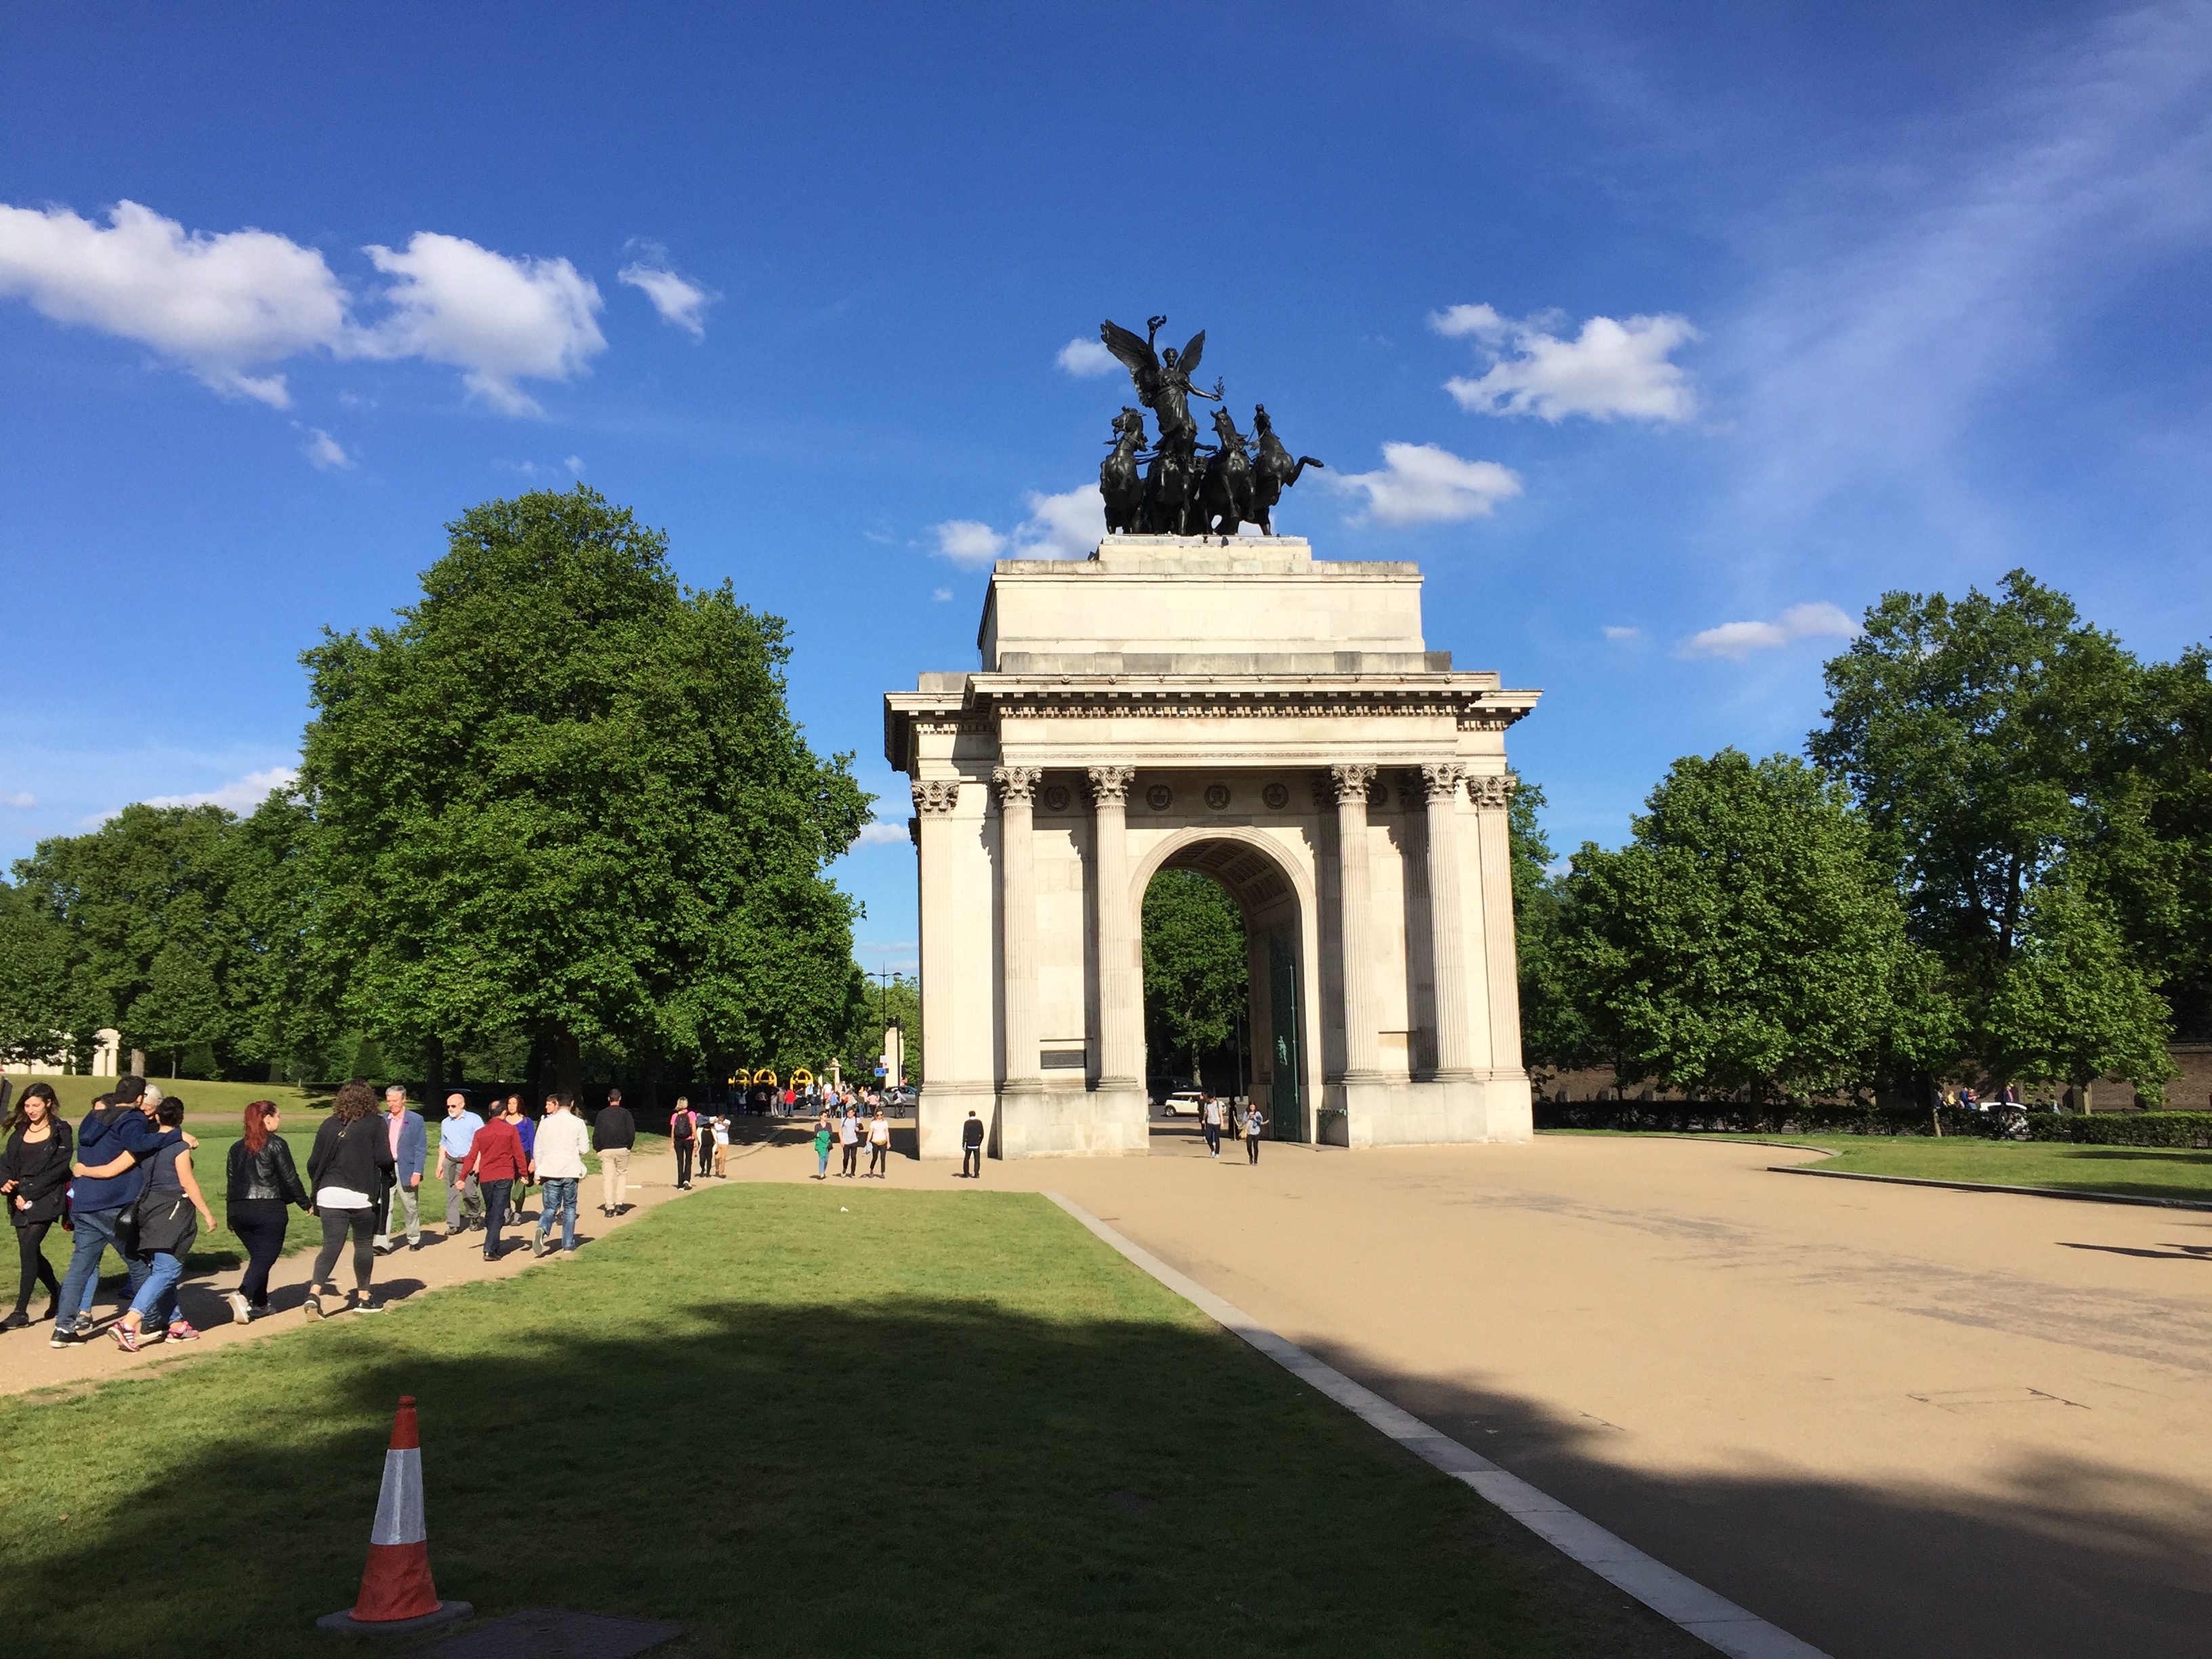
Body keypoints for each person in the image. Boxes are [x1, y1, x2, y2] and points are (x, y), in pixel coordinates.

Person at [52, 1076, 168, 1345]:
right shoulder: (133, 1118)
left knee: (80, 1267)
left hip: (83, 1203)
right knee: (139, 1265)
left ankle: (63, 1328)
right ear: (140, 1100)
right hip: (113, 1203)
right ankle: (150, 1321)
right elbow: (139, 1144)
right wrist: (172, 1134)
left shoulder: (92, 1118)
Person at [110, 1096, 218, 1350]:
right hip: (172, 1209)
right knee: (167, 1271)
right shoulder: (179, 1147)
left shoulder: (147, 1145)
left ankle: (177, 1325)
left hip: (148, 1207)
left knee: (160, 1267)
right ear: (181, 1118)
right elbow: (187, 1182)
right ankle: (127, 1324)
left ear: (157, 1117)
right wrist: (207, 1213)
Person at [305, 1080, 398, 1317]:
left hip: (329, 1194)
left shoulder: (329, 1124)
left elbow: (313, 1163)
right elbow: (385, 1159)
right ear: (369, 1098)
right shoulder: (376, 1123)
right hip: (361, 1194)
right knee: (363, 1245)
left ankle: (314, 1294)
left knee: (330, 1246)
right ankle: (363, 1298)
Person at [224, 1099, 310, 1324]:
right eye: (278, 1116)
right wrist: (305, 1203)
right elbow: (290, 1177)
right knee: (265, 1256)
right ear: (267, 1118)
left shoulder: (235, 1148)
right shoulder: (276, 1144)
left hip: (238, 1208)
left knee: (258, 1258)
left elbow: (231, 1181)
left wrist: (229, 1215)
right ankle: (242, 1295)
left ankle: (260, 1304)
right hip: (268, 1207)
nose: (280, 1120)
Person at [1, 1082, 71, 1330]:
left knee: (29, 1247)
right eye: (27, 1105)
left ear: (48, 1104)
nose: (30, 1110)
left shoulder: (61, 1130)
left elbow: (59, 1169)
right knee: (30, 1252)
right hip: (19, 1197)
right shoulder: (20, 1130)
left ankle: (20, 1311)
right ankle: (58, 1292)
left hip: (46, 1197)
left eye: (35, 1105)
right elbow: (6, 1161)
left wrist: (28, 1192)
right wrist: (5, 1182)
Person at [462, 1103, 527, 1261]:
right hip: (504, 1175)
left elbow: (472, 1156)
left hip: (486, 1177)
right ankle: (490, 1249)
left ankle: (492, 1243)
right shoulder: (510, 1130)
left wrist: (462, 1176)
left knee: (492, 1209)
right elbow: (519, 1153)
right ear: (504, 1113)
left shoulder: (480, 1133)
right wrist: (524, 1174)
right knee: (498, 1211)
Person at [531, 1091, 592, 1258]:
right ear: (572, 1104)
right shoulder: (578, 1123)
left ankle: (543, 1228)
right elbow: (585, 1149)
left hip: (550, 1170)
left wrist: (538, 1173)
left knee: (550, 1206)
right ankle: (568, 1244)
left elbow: (539, 1148)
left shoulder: (545, 1123)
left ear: (557, 1104)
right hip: (570, 1170)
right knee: (570, 1207)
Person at [372, 1085, 428, 1254]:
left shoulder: (416, 1120)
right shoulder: (382, 1120)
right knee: (384, 1206)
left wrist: (417, 1172)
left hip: (407, 1168)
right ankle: (382, 1242)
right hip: (386, 1168)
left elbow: (421, 1147)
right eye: (389, 1101)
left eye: (395, 1101)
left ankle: (414, 1238)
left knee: (410, 1205)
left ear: (404, 1099)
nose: (391, 1104)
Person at [435, 1092, 486, 1235]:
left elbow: (482, 1142)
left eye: (453, 1106)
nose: (450, 1109)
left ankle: (475, 1215)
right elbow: (443, 1144)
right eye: (448, 1106)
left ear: (462, 1105)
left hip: (468, 1162)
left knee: (469, 1193)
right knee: (451, 1194)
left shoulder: (474, 1120)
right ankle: (453, 1224)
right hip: (450, 1161)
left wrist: (478, 1162)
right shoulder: (445, 1122)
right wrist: (440, 1164)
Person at [594, 1087, 635, 1216]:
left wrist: (598, 1148)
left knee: (608, 1178)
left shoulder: (602, 1114)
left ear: (608, 1099)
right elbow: (631, 1132)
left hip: (606, 1149)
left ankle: (609, 1206)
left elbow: (597, 1133)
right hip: (622, 1147)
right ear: (620, 1099)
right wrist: (629, 1146)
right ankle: (619, 1203)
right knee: (622, 1175)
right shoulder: (626, 1114)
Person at [502, 1095, 537, 1222]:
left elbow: (532, 1140)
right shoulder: (503, 1121)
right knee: (505, 1184)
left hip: (523, 1155)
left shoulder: (526, 1121)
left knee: (521, 1183)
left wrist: (533, 1160)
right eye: (509, 1103)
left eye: (514, 1103)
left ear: (519, 1105)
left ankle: (518, 1211)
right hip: (506, 1157)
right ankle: (507, 1210)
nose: (511, 1106)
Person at [670, 1097, 698, 1189]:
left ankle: (680, 1183)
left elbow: (673, 1130)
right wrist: (696, 1139)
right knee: (688, 1160)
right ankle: (687, 1180)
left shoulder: (675, 1115)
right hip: (688, 1139)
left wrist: (672, 1142)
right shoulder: (691, 1114)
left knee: (680, 1161)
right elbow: (694, 1128)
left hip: (678, 1140)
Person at [866, 1103, 890, 1178]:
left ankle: (882, 1172)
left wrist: (888, 1142)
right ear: (876, 1115)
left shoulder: (885, 1123)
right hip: (875, 1142)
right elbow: (870, 1132)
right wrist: (867, 1141)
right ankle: (871, 1169)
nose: (880, 1116)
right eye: (878, 1115)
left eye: (881, 1115)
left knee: (883, 1158)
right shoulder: (873, 1123)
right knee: (875, 1158)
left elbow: (887, 1132)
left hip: (883, 1142)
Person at [960, 1109, 984, 1179]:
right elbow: (982, 1133)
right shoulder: (979, 1122)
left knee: (967, 1159)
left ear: (969, 1115)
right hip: (976, 1144)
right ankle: (976, 1174)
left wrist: (963, 1144)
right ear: (975, 1115)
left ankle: (966, 1174)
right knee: (977, 1160)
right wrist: (980, 1142)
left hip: (969, 1144)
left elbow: (964, 1134)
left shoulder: (967, 1123)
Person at [1201, 1094, 1225, 1159]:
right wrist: (1204, 1119)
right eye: (1209, 1099)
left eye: (1211, 1099)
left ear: (1214, 1098)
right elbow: (1206, 1113)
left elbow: (1220, 1114)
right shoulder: (1207, 1104)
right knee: (1208, 1137)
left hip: (1217, 1123)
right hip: (1209, 1122)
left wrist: (1222, 1123)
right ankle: (1212, 1149)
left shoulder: (1218, 1104)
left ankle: (1217, 1153)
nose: (1210, 1100)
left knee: (1217, 1139)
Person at [812, 1109, 833, 1180]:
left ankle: (823, 1171)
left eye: (826, 1116)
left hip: (827, 1143)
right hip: (820, 1144)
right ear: (821, 1116)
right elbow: (815, 1134)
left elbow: (830, 1133)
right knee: (821, 1158)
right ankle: (821, 1173)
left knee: (826, 1159)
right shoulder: (817, 1126)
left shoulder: (829, 1125)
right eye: (825, 1116)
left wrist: (821, 1134)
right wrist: (824, 1134)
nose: (826, 1117)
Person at [1243, 1101, 1265, 1165]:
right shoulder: (1246, 1113)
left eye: (1253, 1107)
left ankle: (1255, 1160)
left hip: (1256, 1131)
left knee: (1255, 1146)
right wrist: (1248, 1117)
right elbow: (1244, 1121)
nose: (1252, 1108)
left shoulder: (1258, 1113)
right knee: (1249, 1146)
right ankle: (1251, 1156)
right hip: (1249, 1132)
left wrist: (1255, 1117)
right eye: (1251, 1107)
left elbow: (1261, 1121)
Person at [711, 1113, 731, 1178]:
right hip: (718, 1143)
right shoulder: (716, 1123)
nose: (719, 1119)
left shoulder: (727, 1121)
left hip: (725, 1142)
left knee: (723, 1158)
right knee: (717, 1158)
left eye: (721, 1118)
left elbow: (727, 1125)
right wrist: (714, 1121)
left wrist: (720, 1122)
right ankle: (717, 1170)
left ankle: (721, 1172)